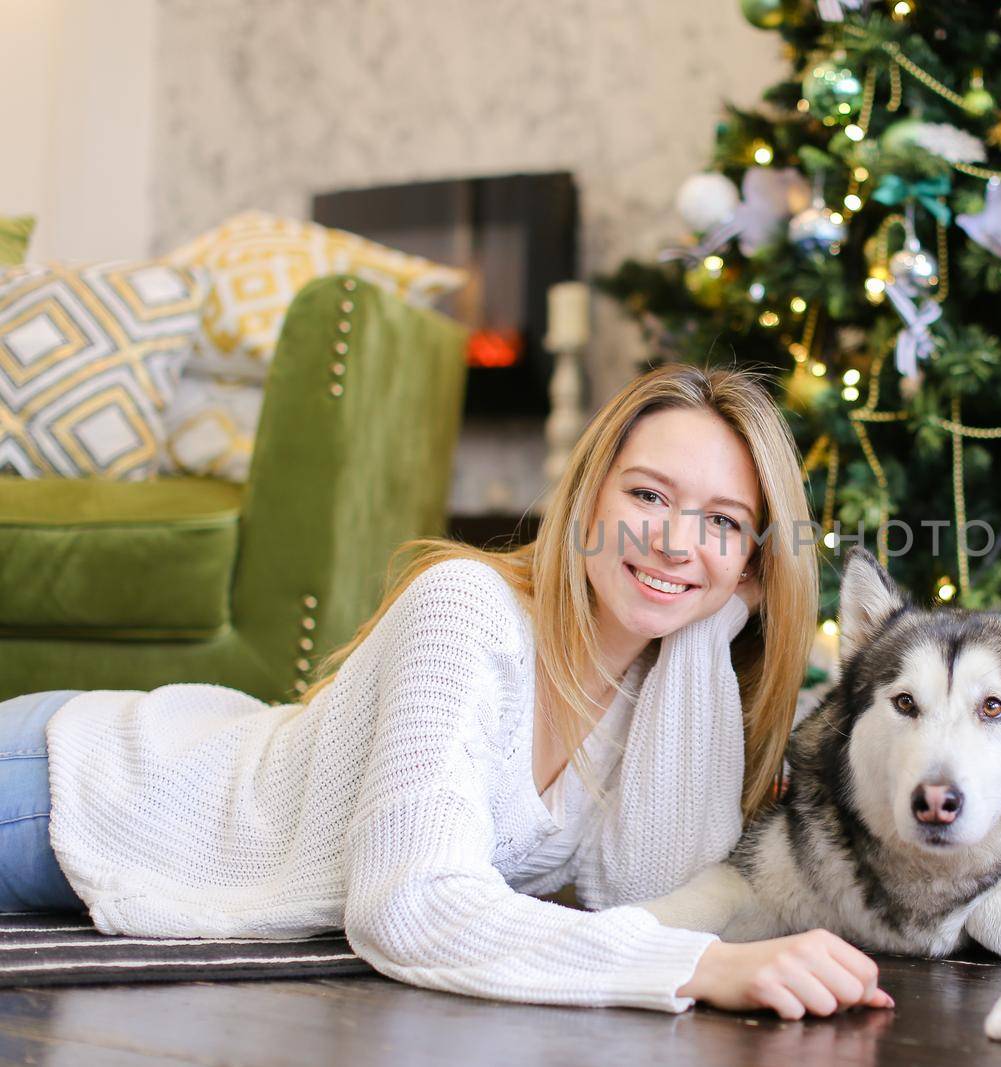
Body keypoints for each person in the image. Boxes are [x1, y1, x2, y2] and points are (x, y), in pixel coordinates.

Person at [0, 363, 892, 1021]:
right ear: (587, 500)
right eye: (649, 494)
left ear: (755, 561)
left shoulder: (660, 688)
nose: (673, 541)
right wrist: (700, 965)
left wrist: (701, 628)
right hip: (77, 789)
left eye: (722, 524)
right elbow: (409, 906)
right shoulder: (466, 610)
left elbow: (648, 884)